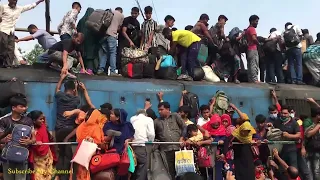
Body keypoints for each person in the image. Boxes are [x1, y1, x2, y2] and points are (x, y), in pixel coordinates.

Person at [0, 96, 36, 180]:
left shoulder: (28, 121)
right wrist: (4, 139)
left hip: (22, 158)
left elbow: (34, 139)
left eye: (25, 106)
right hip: (7, 157)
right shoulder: (4, 121)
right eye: (22, 106)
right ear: (13, 108)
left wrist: (29, 141)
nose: (25, 108)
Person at [0, 0, 45, 68]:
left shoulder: (19, 8)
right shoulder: (3, 7)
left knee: (11, 48)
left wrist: (39, 1)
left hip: (11, 31)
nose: (14, 4)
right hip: (3, 29)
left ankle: (8, 65)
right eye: (12, 2)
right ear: (9, 1)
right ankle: (1, 63)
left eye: (15, 2)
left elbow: (29, 6)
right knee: (3, 46)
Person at [54, 74, 80, 180]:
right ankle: (65, 176)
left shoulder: (60, 96)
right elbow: (77, 97)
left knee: (60, 152)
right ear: (73, 90)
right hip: (70, 130)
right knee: (67, 154)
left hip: (59, 129)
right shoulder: (75, 100)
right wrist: (77, 88)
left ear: (65, 89)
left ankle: (58, 175)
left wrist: (61, 78)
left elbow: (57, 89)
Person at [154, 102, 186, 180]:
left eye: (161, 109)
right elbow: (153, 135)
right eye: (158, 110)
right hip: (165, 150)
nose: (159, 111)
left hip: (178, 148)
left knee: (182, 170)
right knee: (170, 171)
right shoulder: (156, 121)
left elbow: (184, 127)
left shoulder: (175, 116)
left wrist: (182, 138)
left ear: (168, 109)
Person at [74, 109, 108, 180]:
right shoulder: (96, 127)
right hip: (92, 154)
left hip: (80, 152)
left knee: (80, 171)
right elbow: (98, 141)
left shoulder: (81, 125)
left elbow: (78, 138)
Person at [103, 109, 135, 179]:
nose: (110, 115)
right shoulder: (107, 125)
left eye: (112, 114)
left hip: (124, 152)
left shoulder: (127, 125)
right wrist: (110, 136)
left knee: (125, 172)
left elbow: (132, 137)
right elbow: (104, 139)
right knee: (112, 173)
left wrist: (128, 140)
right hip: (111, 153)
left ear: (117, 118)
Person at [27, 110, 57, 180]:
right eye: (40, 119)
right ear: (34, 121)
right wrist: (34, 143)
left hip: (46, 156)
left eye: (43, 119)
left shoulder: (43, 126)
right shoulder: (30, 130)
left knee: (48, 175)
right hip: (36, 158)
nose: (43, 120)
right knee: (38, 176)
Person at [97, 7, 124, 76]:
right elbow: (118, 28)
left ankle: (100, 69)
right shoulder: (121, 15)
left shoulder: (109, 12)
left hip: (104, 35)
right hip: (112, 35)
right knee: (113, 53)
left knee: (105, 53)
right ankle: (112, 71)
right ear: (121, 11)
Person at [130, 109, 155, 180]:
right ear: (145, 114)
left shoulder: (132, 119)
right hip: (142, 145)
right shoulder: (148, 119)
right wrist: (150, 142)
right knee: (143, 165)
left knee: (133, 166)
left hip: (131, 146)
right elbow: (151, 134)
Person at [76, 7, 99, 74]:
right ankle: (89, 70)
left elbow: (77, 30)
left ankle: (83, 69)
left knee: (83, 54)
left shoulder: (81, 20)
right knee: (91, 55)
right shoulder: (93, 22)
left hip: (82, 40)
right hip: (91, 41)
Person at [117, 7, 140, 72]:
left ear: (138, 14)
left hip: (132, 42)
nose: (134, 15)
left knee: (129, 57)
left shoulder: (137, 23)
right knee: (121, 55)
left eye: (135, 13)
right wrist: (130, 41)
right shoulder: (127, 19)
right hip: (123, 40)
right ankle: (119, 70)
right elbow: (123, 31)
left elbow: (137, 34)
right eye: (132, 13)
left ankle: (127, 71)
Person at [304, 108, 320, 180]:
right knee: (309, 169)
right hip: (310, 150)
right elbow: (307, 134)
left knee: (316, 170)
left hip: (317, 151)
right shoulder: (310, 123)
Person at [246, 15, 260, 83]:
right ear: (252, 21)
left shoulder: (247, 29)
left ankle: (251, 80)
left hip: (248, 50)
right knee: (254, 64)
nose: (257, 23)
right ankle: (255, 80)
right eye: (256, 21)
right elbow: (254, 38)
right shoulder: (252, 29)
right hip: (253, 48)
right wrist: (258, 44)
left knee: (250, 65)